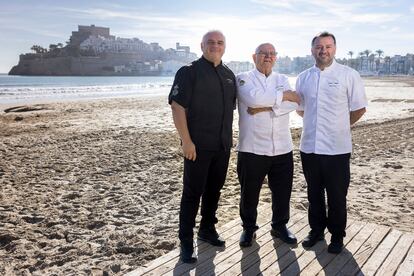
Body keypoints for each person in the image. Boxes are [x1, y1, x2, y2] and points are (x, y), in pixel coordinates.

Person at [295, 31, 367, 254]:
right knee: (314, 192)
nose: (323, 50)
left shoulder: (348, 74)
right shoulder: (303, 77)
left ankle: (337, 235)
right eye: (319, 46)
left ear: (334, 49)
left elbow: (359, 108)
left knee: (337, 195)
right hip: (309, 147)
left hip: (337, 148)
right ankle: (316, 231)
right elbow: (300, 109)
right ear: (312, 50)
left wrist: (340, 127)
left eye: (327, 46)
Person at [168, 30, 237, 263]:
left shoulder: (229, 75)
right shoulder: (189, 72)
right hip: (197, 147)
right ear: (202, 45)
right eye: (210, 42)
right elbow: (177, 107)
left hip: (222, 145)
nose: (215, 46)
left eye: (219, 42)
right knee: (192, 194)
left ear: (225, 46)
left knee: (214, 191)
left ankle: (207, 229)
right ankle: (186, 241)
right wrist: (186, 141)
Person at [236, 43, 301, 247]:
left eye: (272, 54)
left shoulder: (281, 79)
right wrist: (280, 100)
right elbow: (253, 99)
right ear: (254, 56)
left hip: (282, 146)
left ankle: (279, 226)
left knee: (282, 191)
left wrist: (264, 107)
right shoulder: (243, 77)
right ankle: (248, 229)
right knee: (249, 192)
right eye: (264, 53)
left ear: (276, 58)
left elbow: (295, 102)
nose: (268, 57)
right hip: (252, 147)